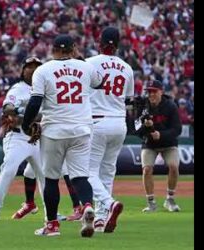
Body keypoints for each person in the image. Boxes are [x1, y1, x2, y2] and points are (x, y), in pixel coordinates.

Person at [22, 34, 101, 237]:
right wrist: (79, 59)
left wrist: (25, 125)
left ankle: (52, 225)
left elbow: (35, 103)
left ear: (54, 49)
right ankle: (87, 206)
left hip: (54, 130)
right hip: (82, 129)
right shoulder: (85, 67)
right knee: (81, 177)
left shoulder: (43, 70)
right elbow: (99, 83)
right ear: (73, 48)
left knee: (51, 179)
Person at [85, 26, 134, 233]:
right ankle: (100, 219)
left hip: (97, 121)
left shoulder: (89, 64)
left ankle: (109, 203)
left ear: (100, 42)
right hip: (119, 122)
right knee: (107, 172)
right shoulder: (127, 67)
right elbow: (130, 103)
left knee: (88, 172)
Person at [0, 57, 45, 221]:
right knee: (8, 170)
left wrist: (31, 115)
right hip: (18, 136)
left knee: (45, 175)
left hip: (38, 137)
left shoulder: (46, 88)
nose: (33, 70)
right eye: (29, 67)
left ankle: (51, 213)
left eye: (36, 67)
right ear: (23, 70)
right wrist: (21, 111)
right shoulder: (18, 89)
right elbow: (7, 109)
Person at [136, 80, 182, 212]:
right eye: (149, 92)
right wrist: (146, 128)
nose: (151, 94)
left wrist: (160, 135)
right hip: (149, 144)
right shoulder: (143, 106)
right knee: (147, 170)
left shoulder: (171, 106)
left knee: (173, 166)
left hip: (168, 143)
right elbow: (136, 129)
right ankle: (151, 202)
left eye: (154, 91)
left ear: (161, 92)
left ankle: (170, 199)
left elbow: (177, 129)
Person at [13, 163, 82, 221]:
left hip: (55, 148)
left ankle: (77, 207)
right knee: (29, 173)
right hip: (41, 149)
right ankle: (30, 204)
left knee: (66, 172)